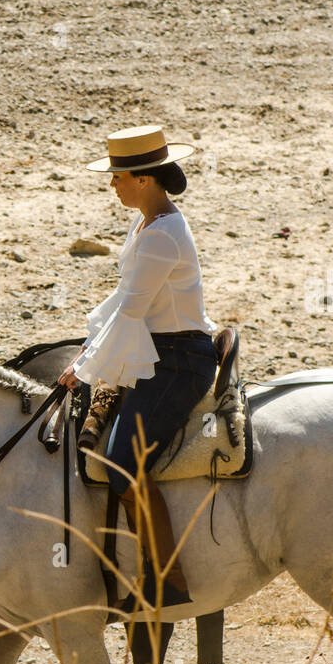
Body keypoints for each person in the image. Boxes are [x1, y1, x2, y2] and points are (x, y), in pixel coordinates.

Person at [57, 125, 219, 607]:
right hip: (159, 351)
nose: (113, 185)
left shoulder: (162, 235)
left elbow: (131, 309)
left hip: (179, 361)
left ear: (145, 179)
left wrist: (84, 366)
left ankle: (167, 580)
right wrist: (86, 346)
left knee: (125, 462)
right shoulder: (147, 224)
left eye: (119, 176)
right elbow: (122, 299)